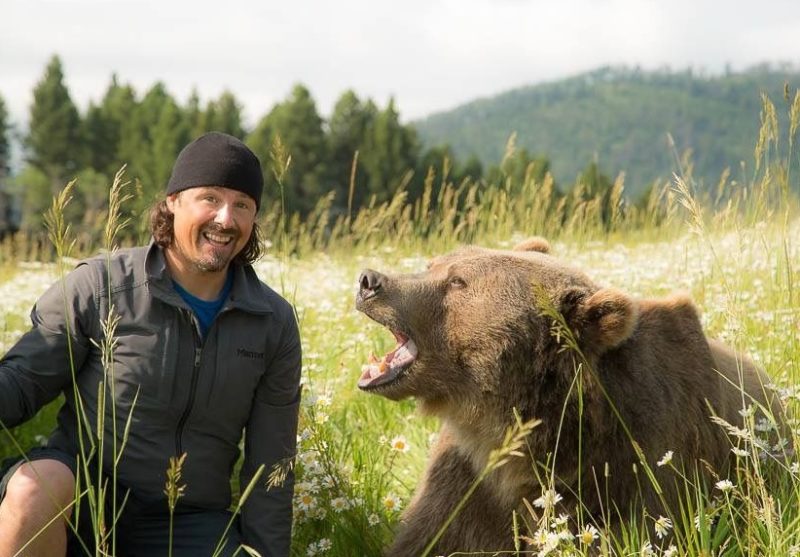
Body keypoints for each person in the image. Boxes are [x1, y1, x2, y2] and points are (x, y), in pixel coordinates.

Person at [0, 132, 302, 557]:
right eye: (210, 198)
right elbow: (19, 384)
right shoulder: (100, 287)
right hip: (84, 502)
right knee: (35, 487)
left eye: (243, 205)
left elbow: (273, 465)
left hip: (189, 523)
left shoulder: (273, 322)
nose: (226, 219)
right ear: (173, 201)